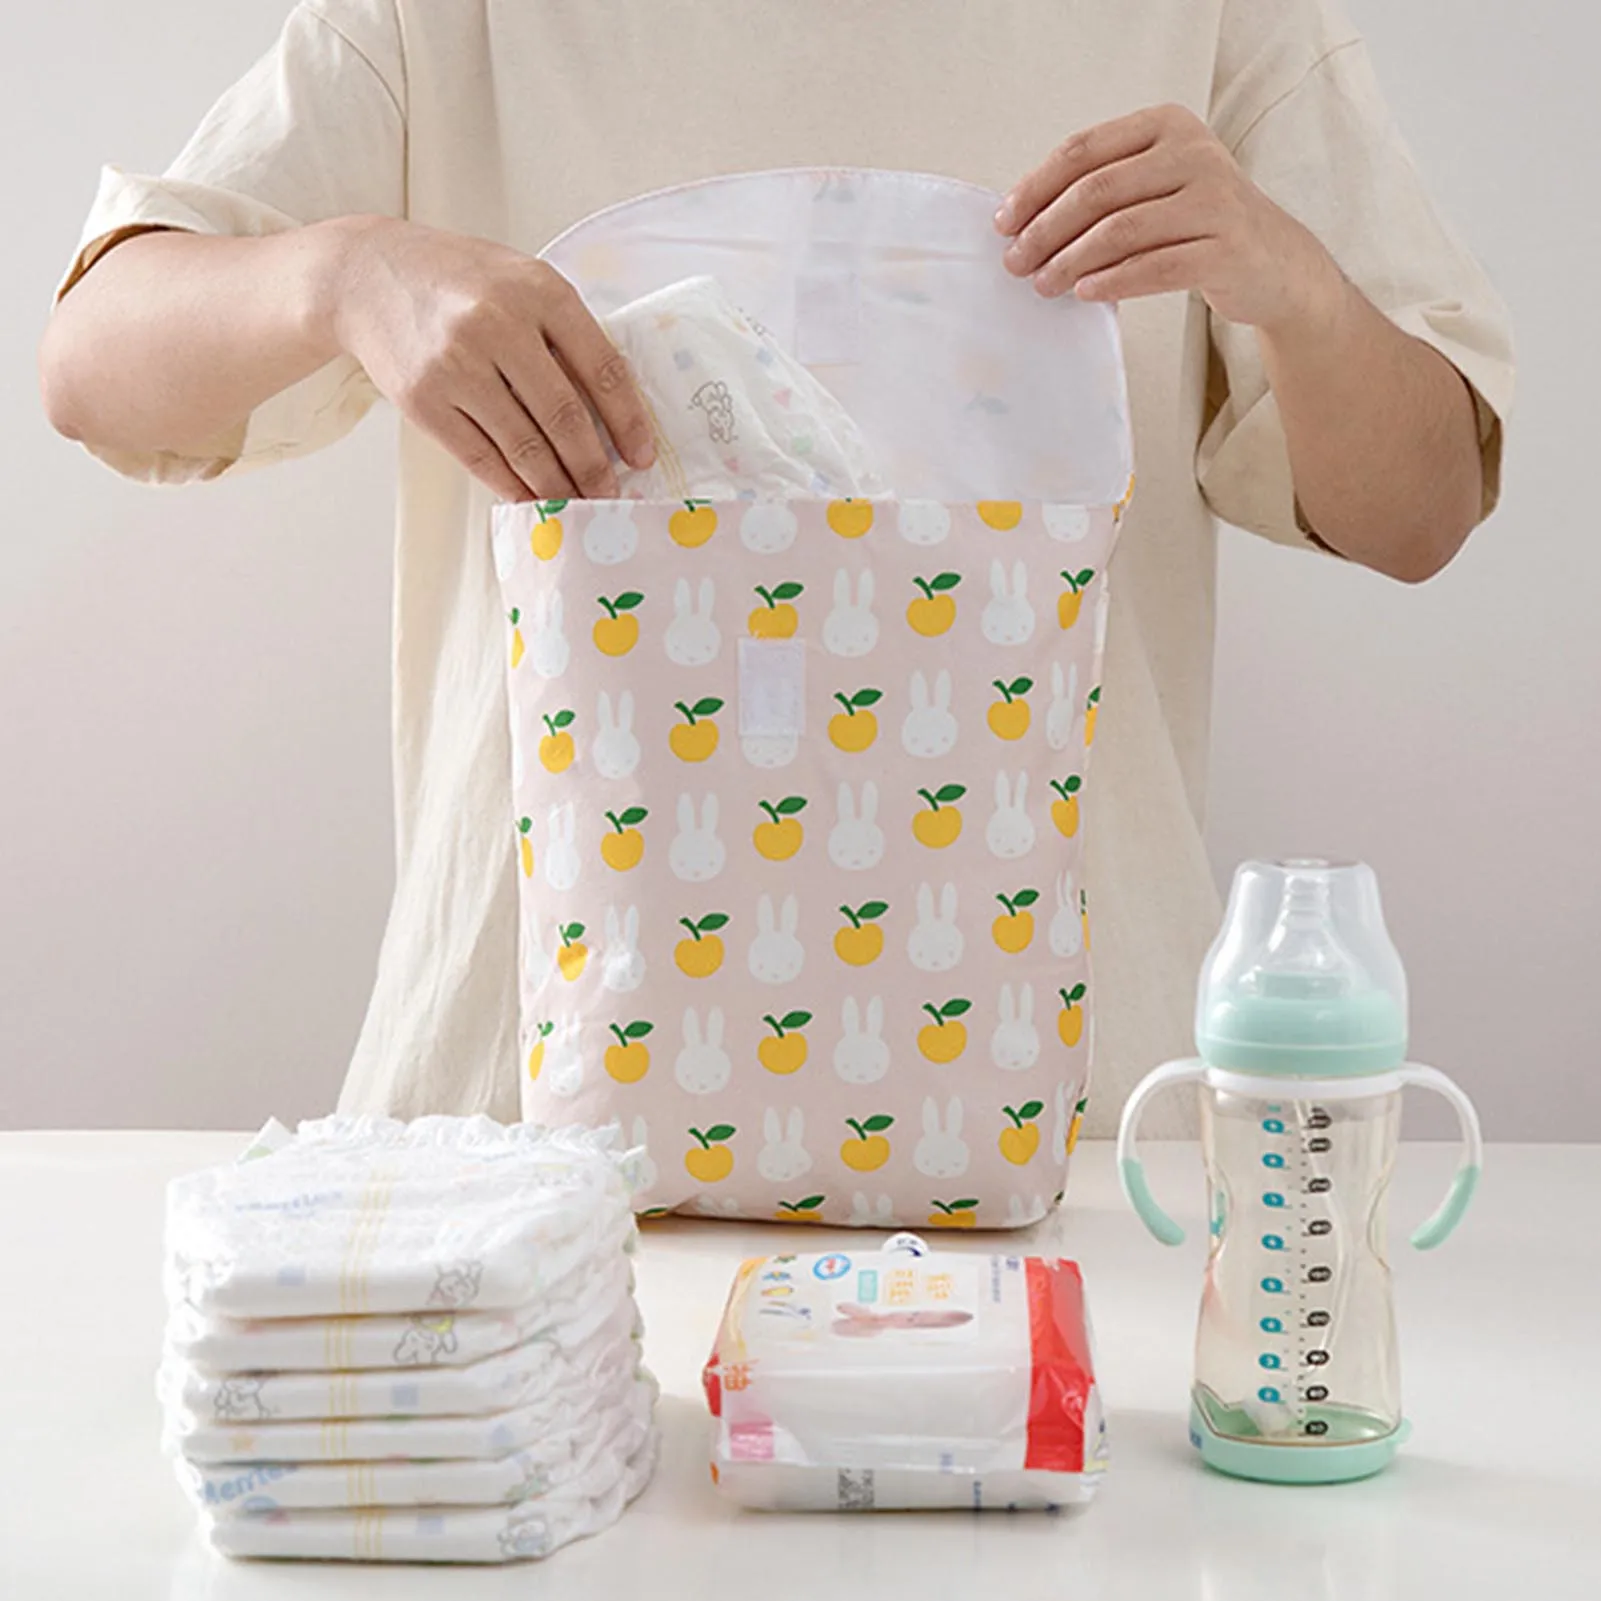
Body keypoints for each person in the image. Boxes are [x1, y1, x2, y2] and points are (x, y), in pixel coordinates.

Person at [38, 1, 1513, 1137]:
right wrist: (344, 272)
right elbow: (95, 366)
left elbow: (1425, 507)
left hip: (1080, 1127)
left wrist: (1296, 285)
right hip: (521, 1123)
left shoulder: (1213, 20)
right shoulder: (447, 21)